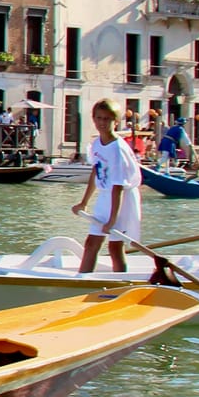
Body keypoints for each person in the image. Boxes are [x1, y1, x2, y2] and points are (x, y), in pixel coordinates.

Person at [72, 99, 142, 273]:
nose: (102, 122)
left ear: (115, 121)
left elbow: (118, 187)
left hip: (122, 200)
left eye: (107, 119)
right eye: (99, 118)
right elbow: (96, 172)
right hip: (105, 197)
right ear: (94, 119)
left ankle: (121, 281)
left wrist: (112, 219)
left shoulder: (117, 149)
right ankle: (83, 279)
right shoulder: (97, 144)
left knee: (115, 247)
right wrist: (84, 202)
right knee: (91, 243)